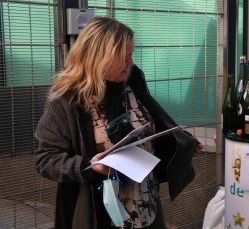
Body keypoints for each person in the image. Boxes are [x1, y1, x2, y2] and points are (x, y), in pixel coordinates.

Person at [34, 17, 201, 229]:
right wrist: (90, 167)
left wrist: (180, 144)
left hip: (145, 207)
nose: (131, 62)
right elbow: (45, 159)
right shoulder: (67, 100)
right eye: (125, 57)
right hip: (101, 214)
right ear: (101, 57)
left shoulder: (132, 84)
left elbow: (150, 128)